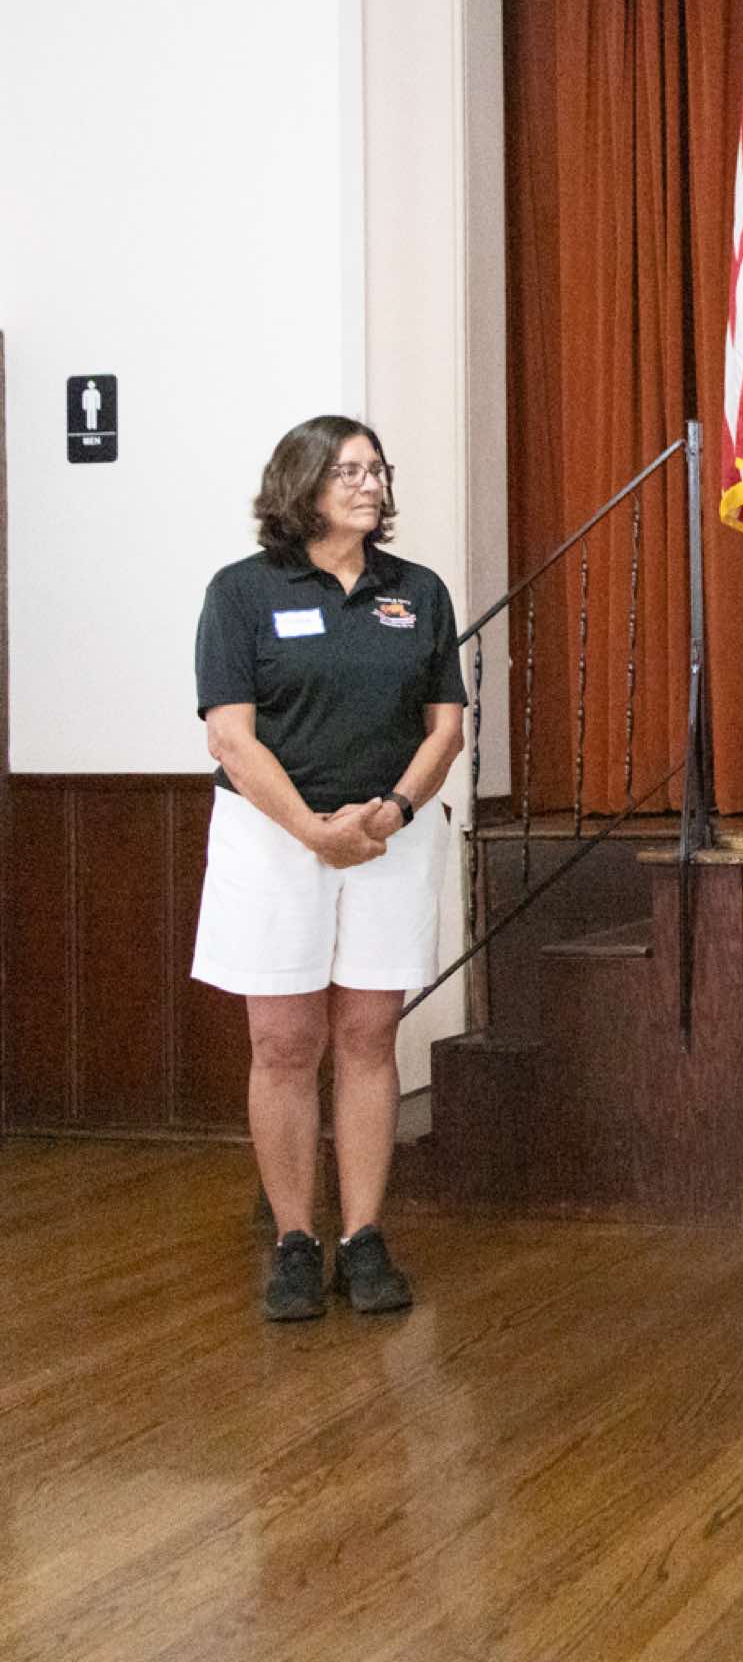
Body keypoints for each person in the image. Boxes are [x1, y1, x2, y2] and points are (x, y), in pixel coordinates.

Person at [192, 415, 466, 1321]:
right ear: (300, 482)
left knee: (368, 1036)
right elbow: (231, 737)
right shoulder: (241, 591)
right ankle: (294, 1241)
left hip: (388, 838)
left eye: (376, 469)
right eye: (347, 470)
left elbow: (445, 728)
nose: (368, 483)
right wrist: (313, 831)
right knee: (283, 1043)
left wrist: (392, 810)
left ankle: (364, 1236)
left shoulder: (416, 591)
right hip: (272, 841)